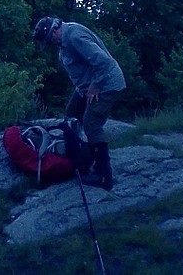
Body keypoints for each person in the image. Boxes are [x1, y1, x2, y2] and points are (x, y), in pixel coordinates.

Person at [32, 17, 126, 190]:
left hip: (105, 83)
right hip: (86, 86)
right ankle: (81, 161)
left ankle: (104, 176)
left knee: (92, 124)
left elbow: (103, 62)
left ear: (54, 31)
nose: (51, 45)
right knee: (71, 116)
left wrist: (96, 85)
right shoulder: (64, 41)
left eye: (49, 41)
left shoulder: (74, 37)